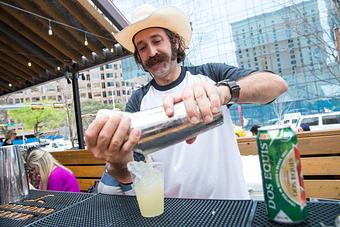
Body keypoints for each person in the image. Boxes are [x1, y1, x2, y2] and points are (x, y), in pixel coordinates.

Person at [85, 4, 288, 199]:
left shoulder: (210, 74)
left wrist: (223, 92)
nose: (152, 52)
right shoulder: (137, 101)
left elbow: (276, 85)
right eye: (143, 48)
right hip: (176, 214)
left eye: (157, 41)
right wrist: (117, 163)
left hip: (232, 207)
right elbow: (133, 172)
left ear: (174, 41)